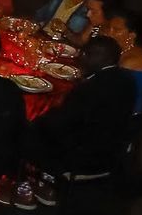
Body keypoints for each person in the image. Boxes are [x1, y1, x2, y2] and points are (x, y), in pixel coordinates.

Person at [21, 35, 134, 192]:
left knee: (22, 131)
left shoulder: (91, 89)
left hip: (84, 160)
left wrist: (37, 119)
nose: (81, 59)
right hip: (111, 153)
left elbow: (59, 125)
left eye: (85, 55)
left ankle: (25, 185)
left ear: (99, 58)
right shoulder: (126, 80)